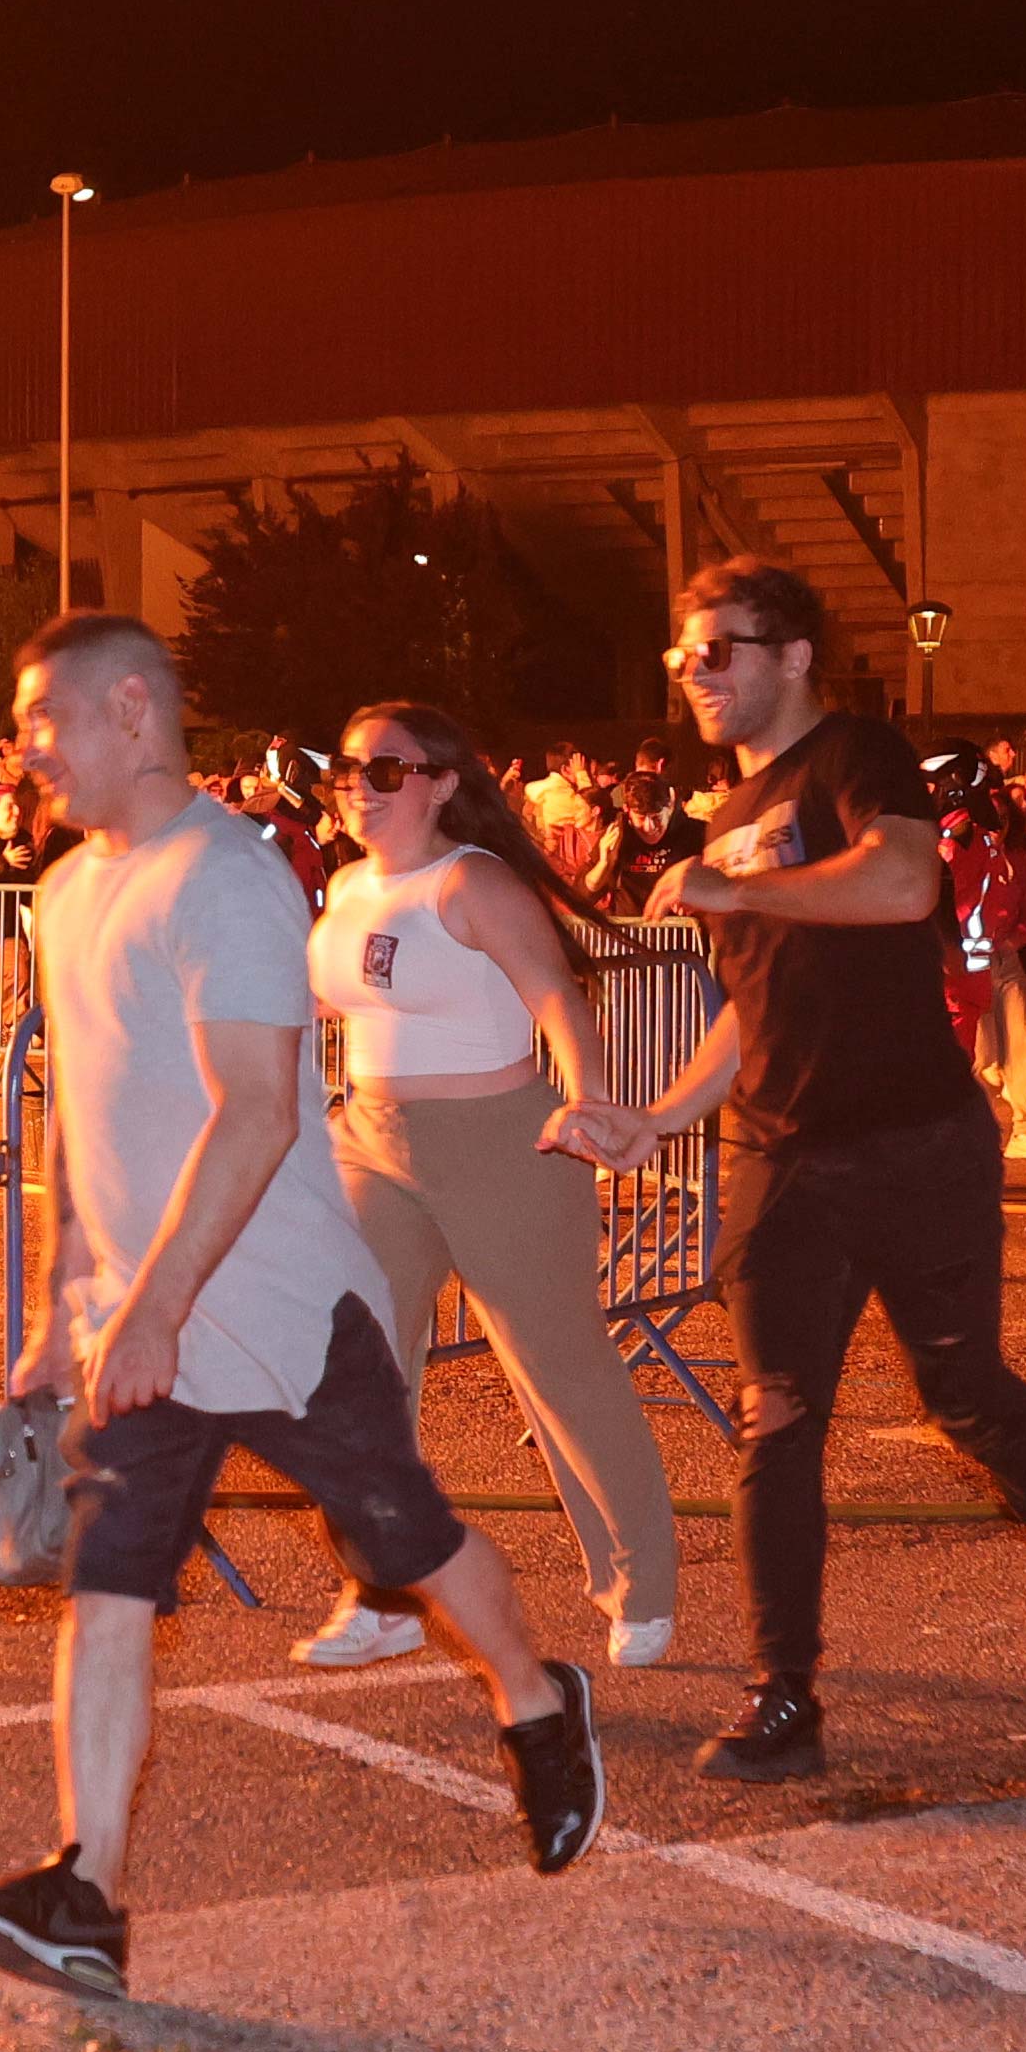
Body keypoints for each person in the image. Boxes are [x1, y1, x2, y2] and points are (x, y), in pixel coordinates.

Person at [0, 615, 599, 2002]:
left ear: (129, 709)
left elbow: (252, 1112)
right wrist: (71, 1303)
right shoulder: (62, 892)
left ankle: (538, 1699)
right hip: (143, 1319)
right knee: (106, 1589)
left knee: (405, 1534)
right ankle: (87, 1893)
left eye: (41, 718)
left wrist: (163, 1299)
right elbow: (86, 1118)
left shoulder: (227, 879)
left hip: (281, 1307)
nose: (25, 750)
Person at [600, 560, 1026, 1784]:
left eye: (720, 651)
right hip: (778, 1160)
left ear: (790, 656)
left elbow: (902, 883)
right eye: (684, 658)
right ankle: (786, 1694)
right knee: (775, 1422)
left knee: (961, 1393)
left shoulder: (855, 758)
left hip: (916, 1141)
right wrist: (658, 1114)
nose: (697, 676)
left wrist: (735, 882)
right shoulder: (724, 820)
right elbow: (749, 1003)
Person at [289, 699, 691, 1673]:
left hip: (501, 1143)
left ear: (441, 783)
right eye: (347, 768)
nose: (359, 785)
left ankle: (644, 1579)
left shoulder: (470, 882)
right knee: (358, 1372)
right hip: (372, 1140)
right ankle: (384, 1587)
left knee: (559, 1373)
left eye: (386, 769)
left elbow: (556, 992)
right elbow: (306, 1012)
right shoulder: (342, 889)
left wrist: (590, 1100)